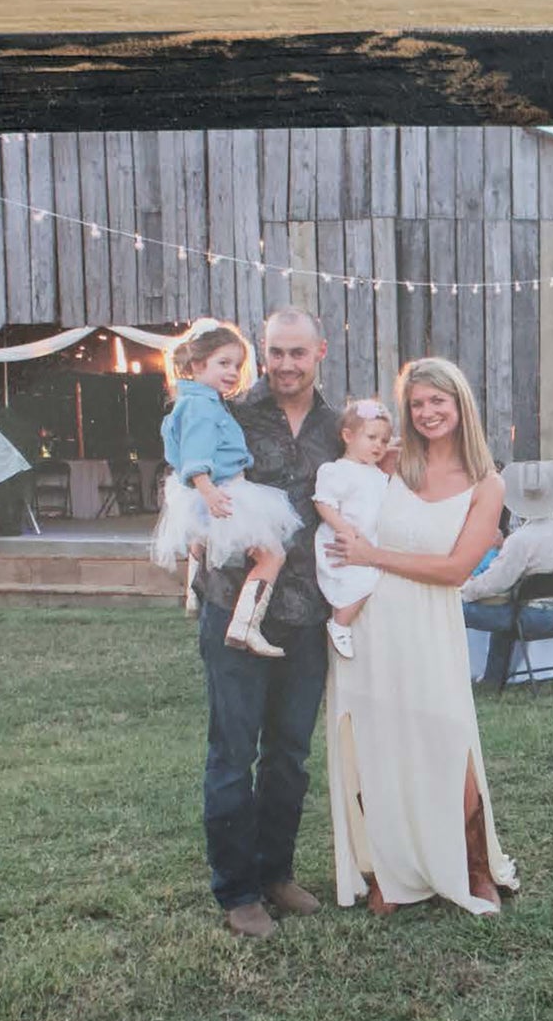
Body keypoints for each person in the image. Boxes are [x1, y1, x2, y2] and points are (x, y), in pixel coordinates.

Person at [323, 356, 517, 915]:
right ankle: (387, 869)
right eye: (417, 403)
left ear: (460, 405)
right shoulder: (389, 463)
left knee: (446, 737)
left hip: (430, 624)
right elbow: (334, 499)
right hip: (370, 624)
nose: (428, 412)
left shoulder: (487, 484)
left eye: (439, 401)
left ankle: (474, 866)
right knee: (375, 742)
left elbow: (457, 570)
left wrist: (373, 554)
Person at [191, 308, 341, 939]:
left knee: (290, 754)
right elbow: (186, 472)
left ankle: (276, 873)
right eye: (275, 352)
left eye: (296, 354)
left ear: (320, 353)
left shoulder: (341, 427)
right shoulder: (229, 411)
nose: (284, 365)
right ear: (262, 352)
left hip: (308, 611)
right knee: (233, 752)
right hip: (236, 606)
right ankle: (238, 891)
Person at [150, 322, 301, 658]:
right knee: (272, 554)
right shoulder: (202, 408)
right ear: (197, 365)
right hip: (223, 490)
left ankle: (193, 592)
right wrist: (208, 491)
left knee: (204, 542)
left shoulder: (198, 401)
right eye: (224, 363)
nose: (233, 372)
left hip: (209, 490)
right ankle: (245, 624)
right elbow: (195, 456)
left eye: (237, 365)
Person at [459, 460, 553, 685]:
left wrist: (466, 591)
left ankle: (451, 676)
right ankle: (494, 677)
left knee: (456, 610)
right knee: (510, 614)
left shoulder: (521, 540)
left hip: (530, 616)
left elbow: (496, 582)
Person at [312, 397, 394, 660]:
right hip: (342, 542)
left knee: (377, 580)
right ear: (348, 436)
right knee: (361, 582)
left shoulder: (378, 474)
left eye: (383, 440)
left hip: (368, 542)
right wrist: (344, 529)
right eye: (371, 438)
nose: (379, 446)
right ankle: (340, 624)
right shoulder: (337, 471)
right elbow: (323, 503)